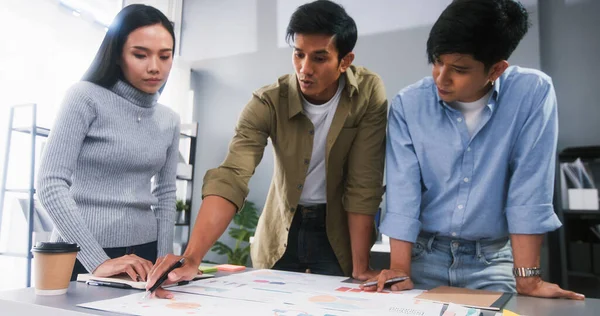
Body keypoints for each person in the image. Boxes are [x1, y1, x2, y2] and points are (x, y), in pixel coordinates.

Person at [147, 0, 387, 298]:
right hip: (282, 229)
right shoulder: (268, 101)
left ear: (345, 61)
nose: (305, 68)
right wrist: (192, 257)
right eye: (298, 54)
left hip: (337, 232)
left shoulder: (367, 93)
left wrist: (361, 266)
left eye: (319, 58)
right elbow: (232, 175)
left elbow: (364, 182)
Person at [363, 0, 584, 300]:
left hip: (491, 261)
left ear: (496, 69)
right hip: (423, 255)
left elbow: (529, 190)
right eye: (437, 61)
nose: (441, 77)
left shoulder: (532, 94)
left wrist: (528, 279)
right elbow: (404, 193)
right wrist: (400, 269)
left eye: (459, 69)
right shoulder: (409, 105)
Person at [37, 4, 180, 282]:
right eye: (140, 55)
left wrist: (164, 261)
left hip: (146, 255)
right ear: (117, 55)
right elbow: (50, 183)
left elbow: (166, 196)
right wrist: (97, 261)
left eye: (165, 56)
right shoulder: (84, 97)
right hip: (81, 253)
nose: (155, 67)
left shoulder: (169, 120)